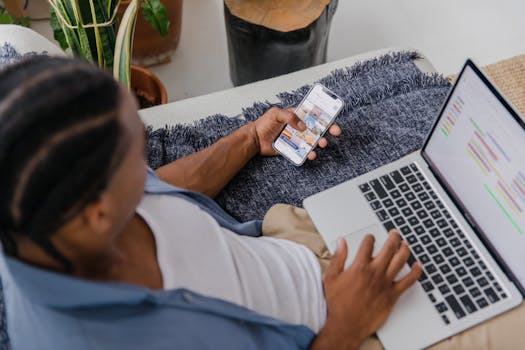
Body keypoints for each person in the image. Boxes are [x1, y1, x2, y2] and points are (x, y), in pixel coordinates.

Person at [4, 56, 517, 350]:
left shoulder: (37, 214)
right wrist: (344, 323)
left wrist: (249, 137)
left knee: (446, 196)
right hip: (338, 331)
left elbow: (157, 187)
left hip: (284, 240)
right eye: (133, 147)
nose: (147, 153)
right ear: (98, 215)